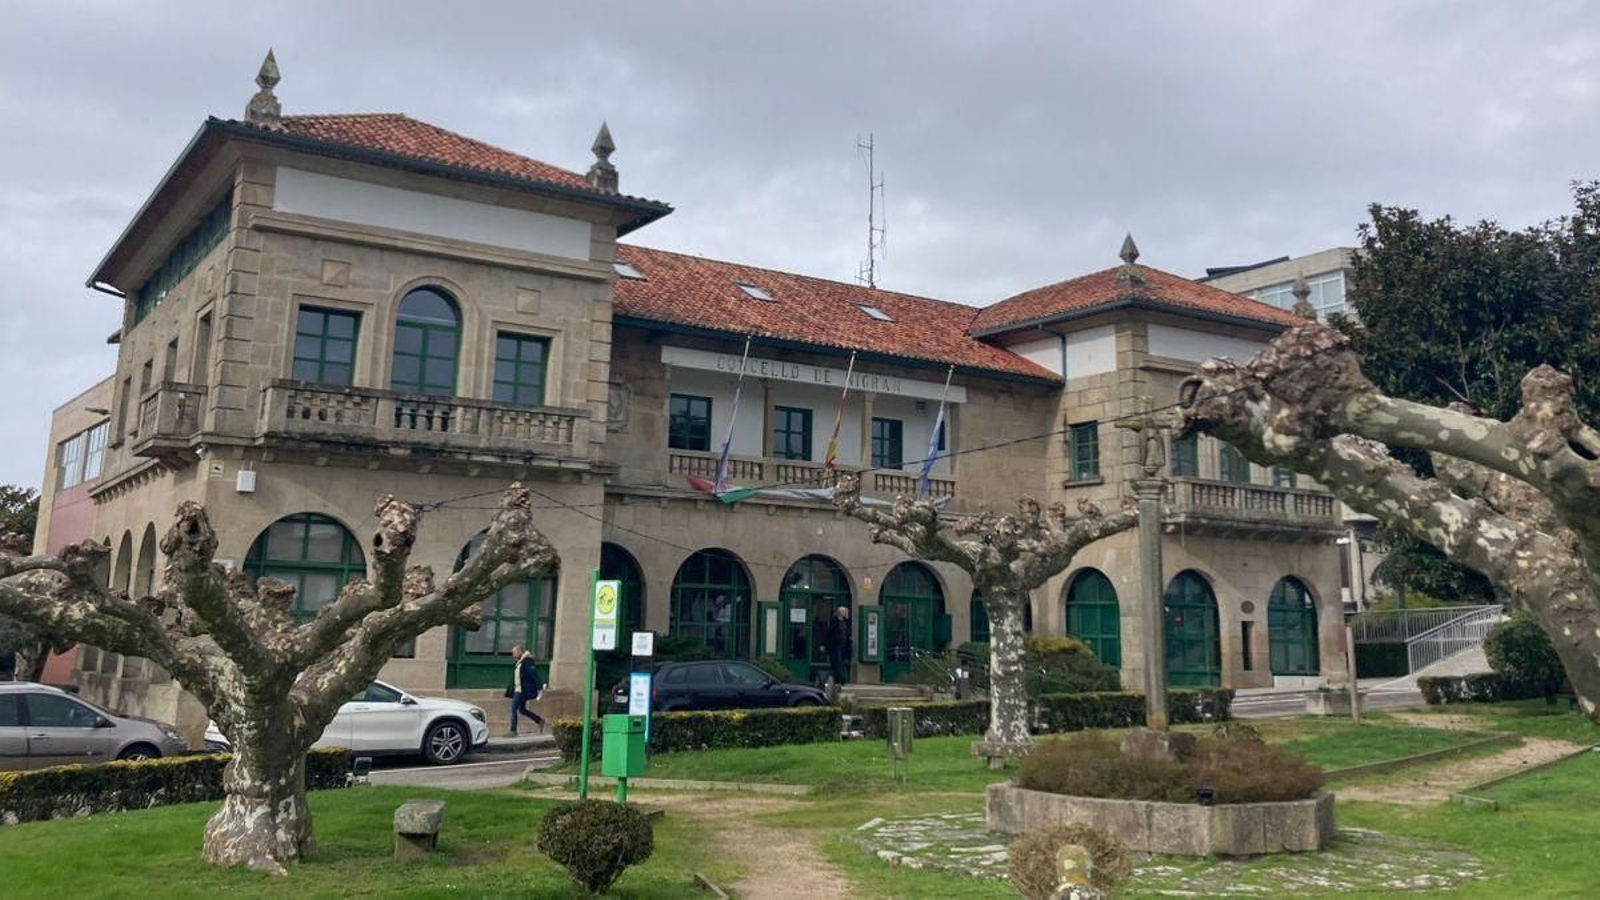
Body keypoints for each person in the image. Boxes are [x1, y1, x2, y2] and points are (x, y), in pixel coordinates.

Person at [507, 644, 545, 736]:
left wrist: (539, 687)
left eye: (514, 653)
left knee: (513, 709)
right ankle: (539, 720)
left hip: (522, 690)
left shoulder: (527, 661)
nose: (513, 655)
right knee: (522, 710)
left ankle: (513, 730)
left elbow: (533, 674)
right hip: (518, 689)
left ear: (520, 651)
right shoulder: (519, 662)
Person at [827, 605, 852, 686]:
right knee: (837, 662)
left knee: (841, 662)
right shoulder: (834, 621)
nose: (845, 613)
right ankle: (841, 680)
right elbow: (829, 633)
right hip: (836, 645)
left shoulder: (846, 621)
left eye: (846, 612)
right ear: (840, 612)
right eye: (844, 612)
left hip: (844, 646)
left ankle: (840, 679)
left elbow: (848, 633)